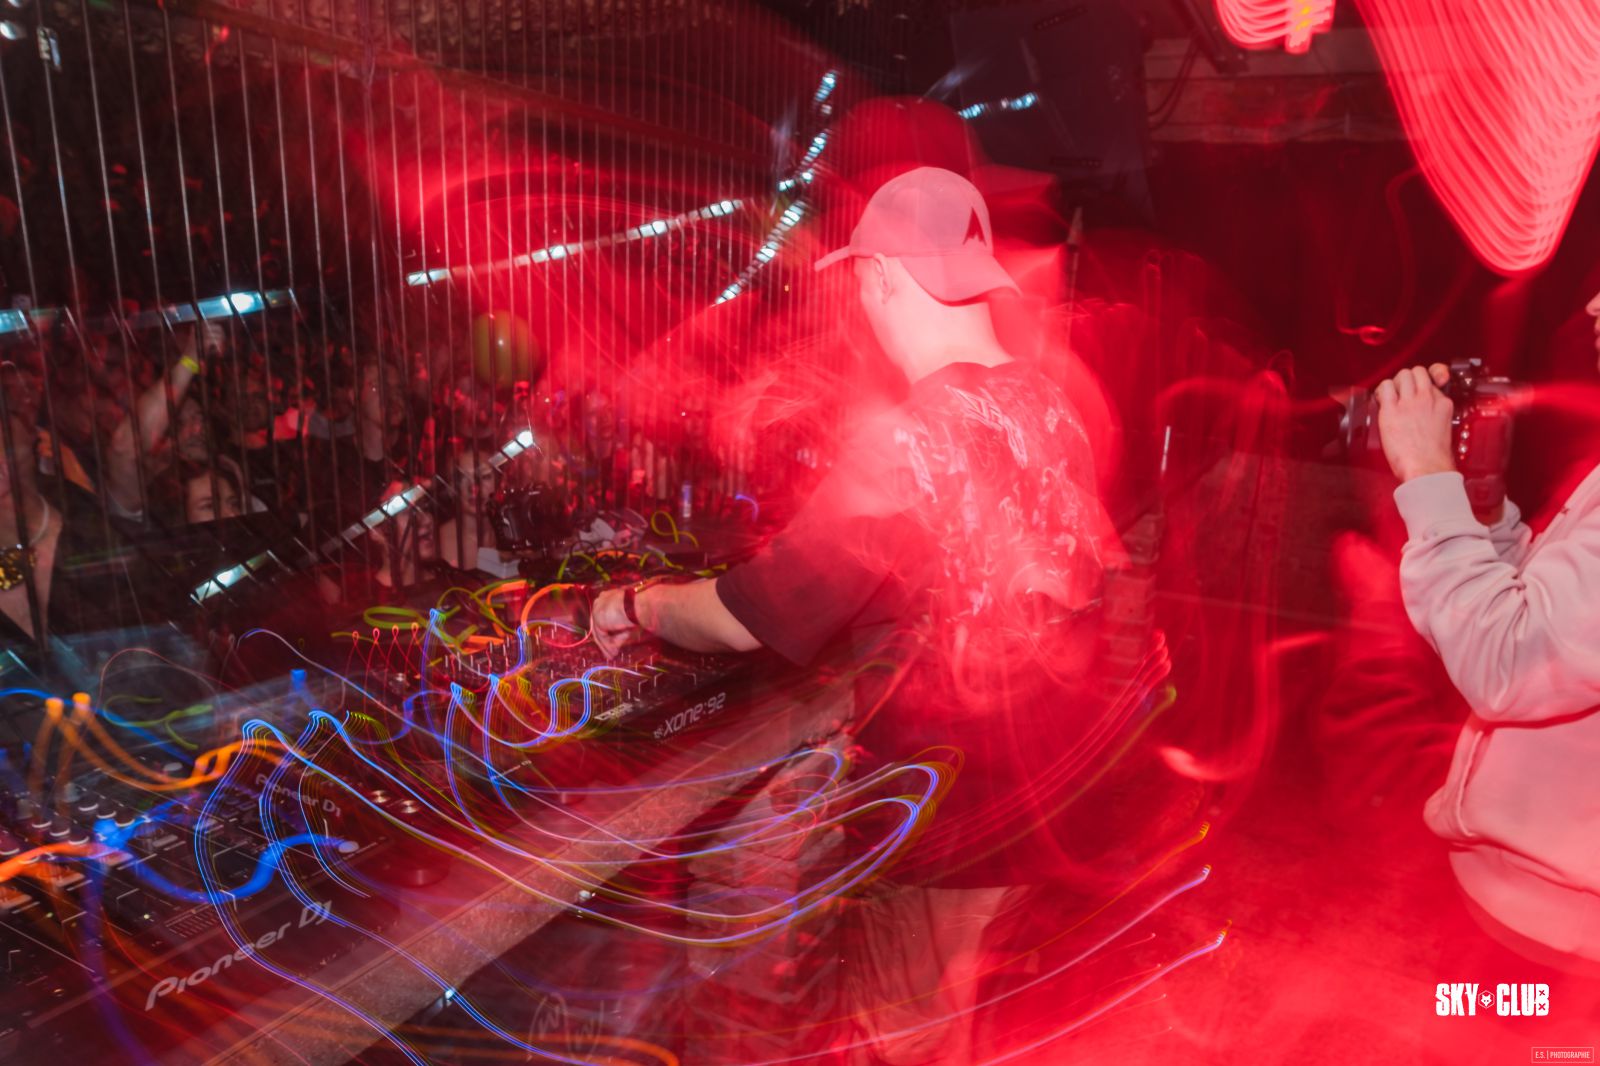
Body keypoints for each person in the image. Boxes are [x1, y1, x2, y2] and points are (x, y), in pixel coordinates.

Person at [591, 167, 1121, 1062]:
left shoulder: (913, 438)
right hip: (1041, 804)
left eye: (862, 282)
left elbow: (745, 615)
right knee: (958, 1021)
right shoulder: (1051, 406)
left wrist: (634, 604)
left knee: (898, 1039)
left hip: (947, 819)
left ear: (879, 276)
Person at [1373, 288, 1600, 970]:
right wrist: (1478, 504)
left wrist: (1426, 474)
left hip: (1548, 942)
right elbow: (1543, 618)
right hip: (1521, 910)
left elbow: (1508, 661)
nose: (1593, 305)